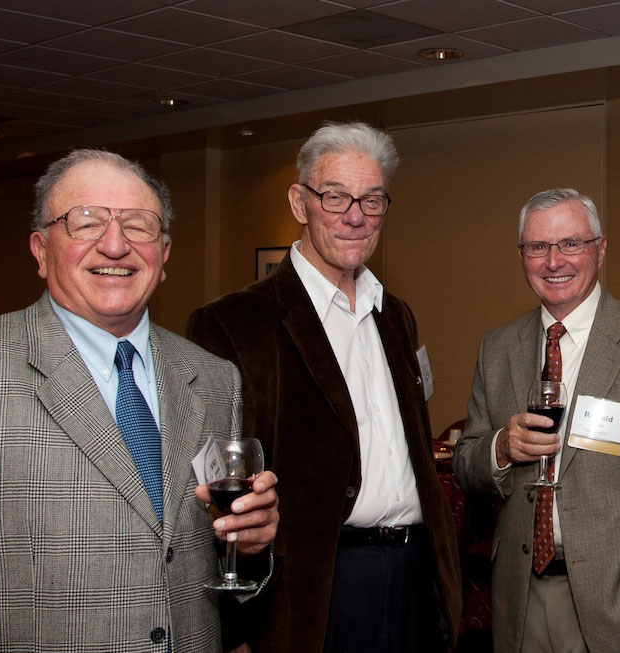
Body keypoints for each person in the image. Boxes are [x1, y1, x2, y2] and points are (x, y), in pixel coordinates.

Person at [0, 149, 279, 652]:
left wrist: (247, 545)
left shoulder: (211, 377)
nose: (115, 245)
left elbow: (203, 566)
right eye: (86, 222)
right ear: (40, 249)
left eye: (139, 226)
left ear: (164, 254)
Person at [186, 121, 461, 653]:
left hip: (412, 579)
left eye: (372, 200)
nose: (355, 216)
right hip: (311, 592)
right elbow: (211, 493)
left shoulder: (395, 316)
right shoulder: (235, 324)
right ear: (299, 202)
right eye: (334, 196)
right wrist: (236, 630)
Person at [453, 188, 620, 652]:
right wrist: (499, 447)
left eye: (571, 243)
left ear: (600, 248)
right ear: (522, 255)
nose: (554, 261)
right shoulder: (496, 349)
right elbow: (464, 463)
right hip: (521, 596)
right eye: (538, 247)